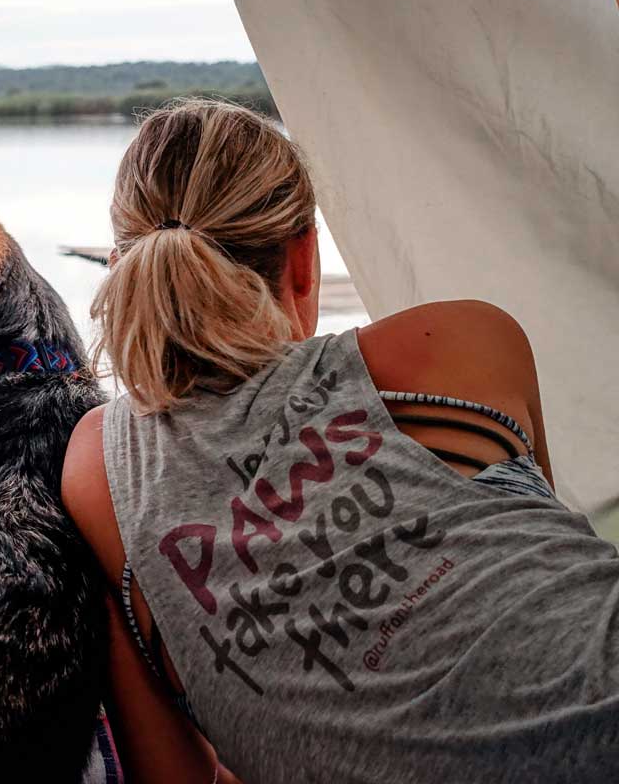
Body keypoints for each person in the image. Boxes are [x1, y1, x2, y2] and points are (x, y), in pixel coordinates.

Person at [61, 99, 619, 783]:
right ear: (303, 256)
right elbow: (540, 553)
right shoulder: (462, 343)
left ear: (123, 264)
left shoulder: (99, 469)